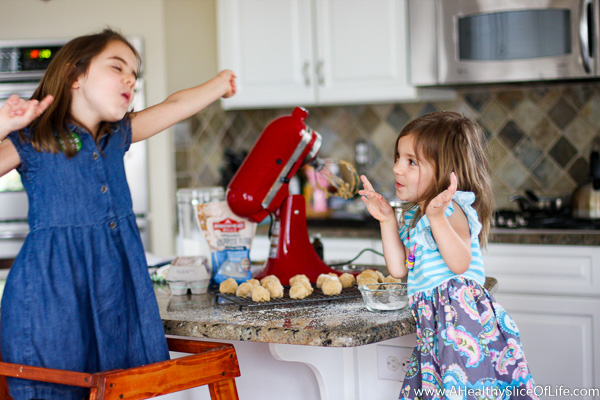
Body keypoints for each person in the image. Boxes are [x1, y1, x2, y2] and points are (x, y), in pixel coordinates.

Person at [0, 29, 236, 400]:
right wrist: (2, 126)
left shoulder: (117, 136)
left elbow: (173, 105)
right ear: (74, 76)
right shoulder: (33, 139)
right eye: (117, 67)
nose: (130, 78)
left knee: (119, 386)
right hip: (53, 293)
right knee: (57, 387)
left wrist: (218, 85)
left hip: (115, 287)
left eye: (135, 75)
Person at [359, 111, 537, 400]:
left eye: (411, 162)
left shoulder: (450, 209)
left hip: (461, 325)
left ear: (445, 171)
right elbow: (399, 269)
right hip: (436, 329)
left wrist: (437, 218)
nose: (396, 169)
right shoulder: (418, 216)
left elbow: (459, 263)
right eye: (398, 158)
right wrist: (387, 220)